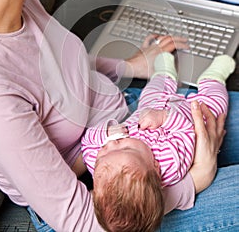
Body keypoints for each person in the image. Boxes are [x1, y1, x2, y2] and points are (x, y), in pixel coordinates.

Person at [0, 0, 238, 231]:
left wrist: (133, 66)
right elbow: (80, 221)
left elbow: (55, 71)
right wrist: (194, 181)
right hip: (102, 196)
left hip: (131, 118)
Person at [81, 53, 235, 232]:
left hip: (150, 105)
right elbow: (187, 132)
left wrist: (105, 132)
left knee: (153, 89)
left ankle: (164, 72)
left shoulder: (98, 161)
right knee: (217, 106)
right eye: (127, 148)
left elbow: (88, 143)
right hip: (190, 113)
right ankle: (213, 77)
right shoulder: (170, 161)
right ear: (155, 166)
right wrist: (164, 118)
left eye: (103, 154)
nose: (114, 143)